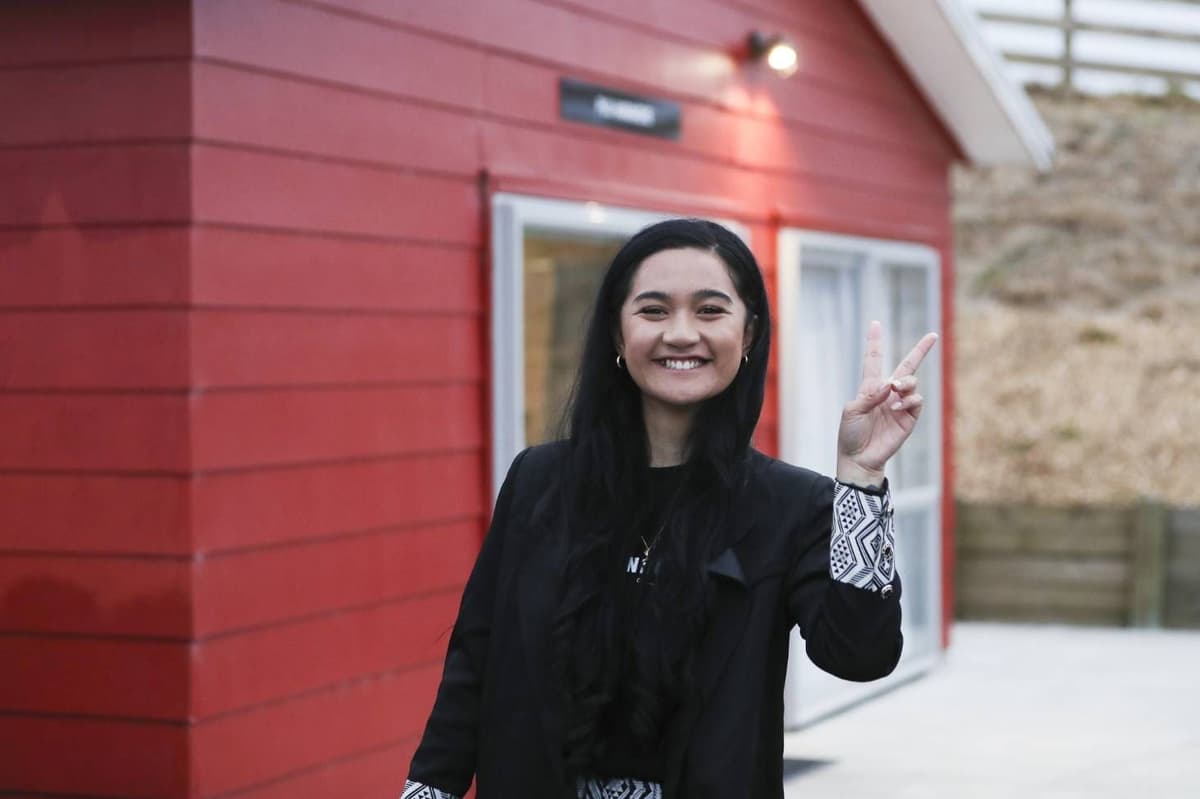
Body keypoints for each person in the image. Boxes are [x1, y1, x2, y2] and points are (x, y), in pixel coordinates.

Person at [402, 218, 937, 799]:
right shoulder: (540, 482)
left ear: (750, 333)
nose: (681, 334)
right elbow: (474, 663)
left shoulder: (790, 505)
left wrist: (859, 480)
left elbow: (861, 656)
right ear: (616, 332)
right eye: (653, 311)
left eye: (710, 310)